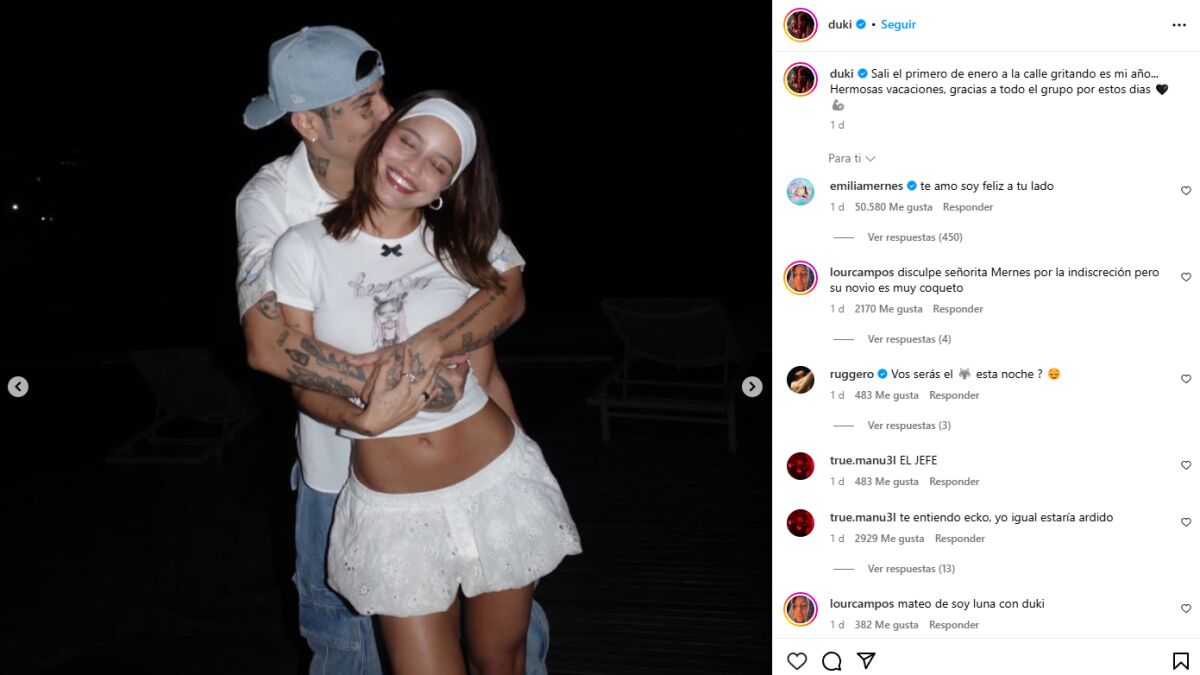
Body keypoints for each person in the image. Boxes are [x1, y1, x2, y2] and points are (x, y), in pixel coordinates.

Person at [236, 26, 548, 674]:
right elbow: (269, 344)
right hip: (341, 477)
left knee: (514, 649)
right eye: (365, 104)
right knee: (350, 652)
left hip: (485, 468)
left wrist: (432, 347)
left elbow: (506, 288)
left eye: (384, 94)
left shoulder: (434, 195)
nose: (388, 112)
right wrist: (386, 392)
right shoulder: (276, 206)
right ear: (308, 123)